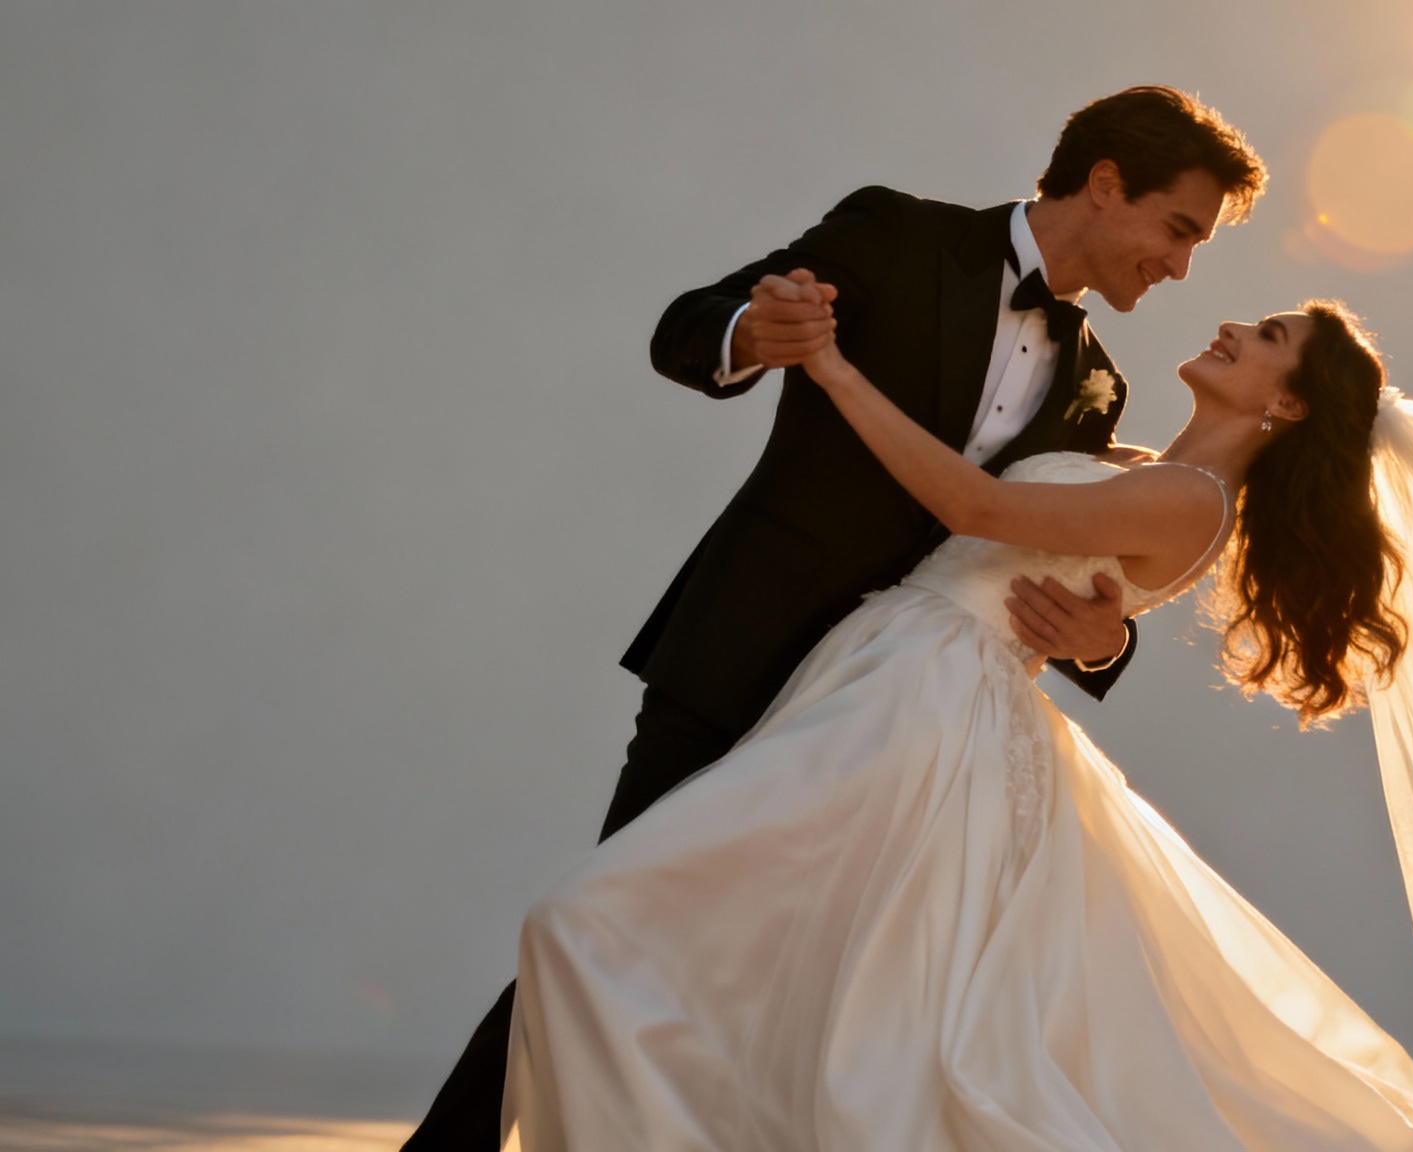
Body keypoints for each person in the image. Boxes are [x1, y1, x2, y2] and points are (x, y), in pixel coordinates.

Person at [505, 292, 1413, 1152]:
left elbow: (977, 511)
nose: (1228, 324)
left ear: (1288, 405)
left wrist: (830, 365)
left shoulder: (1187, 503)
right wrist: (1098, 635)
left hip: (919, 717)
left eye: (1264, 335)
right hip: (887, 678)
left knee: (600, 922)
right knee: (778, 985)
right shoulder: (1135, 463)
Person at [403, 86, 1268, 1152]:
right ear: (1103, 184)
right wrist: (752, 333)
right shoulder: (896, 232)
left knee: (798, 1001)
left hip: (898, 727)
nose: (1181, 266)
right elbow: (689, 327)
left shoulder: (1098, 384)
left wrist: (1104, 638)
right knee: (611, 922)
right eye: (1177, 229)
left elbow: (1047, 546)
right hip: (741, 657)